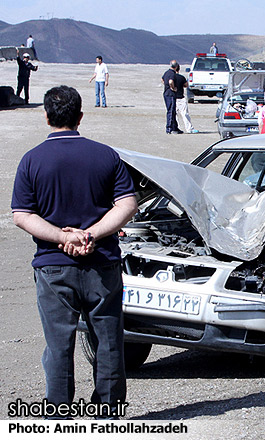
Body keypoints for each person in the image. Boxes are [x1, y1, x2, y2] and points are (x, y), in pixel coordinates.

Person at [11, 85, 138, 419]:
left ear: (46, 116)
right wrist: (90, 235)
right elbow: (127, 203)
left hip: (53, 267)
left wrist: (60, 238)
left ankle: (59, 415)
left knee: (59, 345)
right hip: (102, 263)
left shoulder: (31, 160)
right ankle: (109, 414)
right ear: (80, 116)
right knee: (108, 341)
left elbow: (22, 215)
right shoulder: (106, 155)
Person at [174, 64, 199, 133]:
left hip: (172, 98)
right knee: (185, 114)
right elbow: (186, 85)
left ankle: (176, 128)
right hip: (180, 98)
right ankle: (189, 129)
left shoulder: (170, 77)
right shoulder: (181, 77)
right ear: (178, 69)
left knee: (174, 114)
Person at [162, 60, 182, 134]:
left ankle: (175, 127)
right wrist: (173, 88)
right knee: (171, 111)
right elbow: (171, 81)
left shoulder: (166, 72)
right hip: (170, 94)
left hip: (166, 93)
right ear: (176, 66)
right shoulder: (172, 74)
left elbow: (162, 80)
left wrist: (166, 85)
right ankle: (169, 128)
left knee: (172, 111)